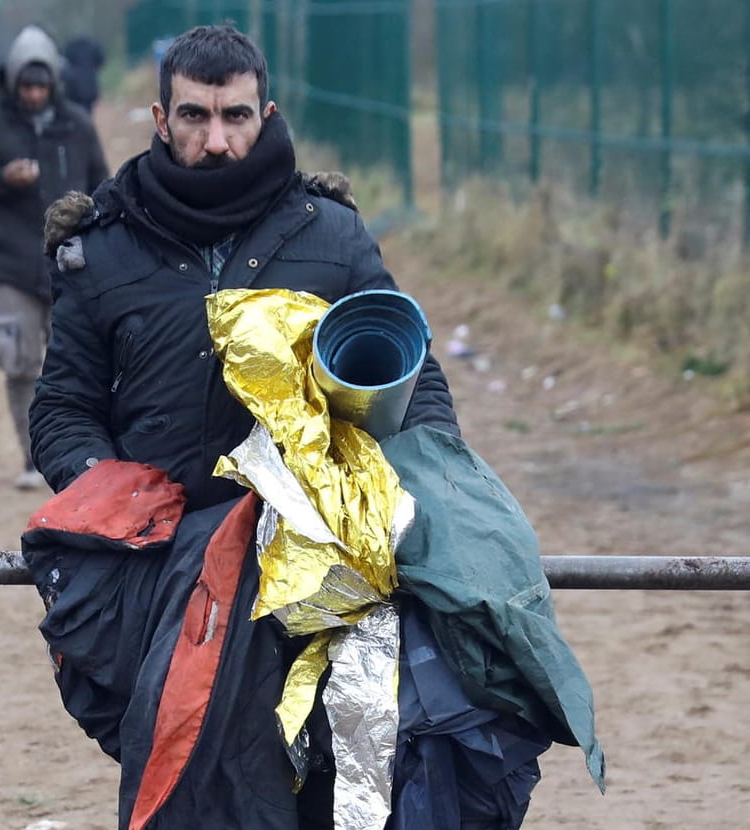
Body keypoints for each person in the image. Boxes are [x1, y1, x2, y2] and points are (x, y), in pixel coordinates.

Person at [25, 26, 476, 827]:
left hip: (313, 567)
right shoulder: (101, 248)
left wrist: (416, 497)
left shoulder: (330, 236)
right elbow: (62, 411)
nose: (217, 140)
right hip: (159, 576)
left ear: (264, 115)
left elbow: (417, 384)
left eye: (235, 117)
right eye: (195, 117)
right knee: (191, 779)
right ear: (161, 120)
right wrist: (122, 502)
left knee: (329, 789)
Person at [0, 25, 108, 489]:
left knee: (73, 366)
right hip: (11, 264)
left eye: (42, 86)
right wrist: (2, 179)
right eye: (26, 86)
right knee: (18, 363)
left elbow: (102, 184)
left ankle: (71, 458)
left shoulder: (77, 124)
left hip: (71, 265)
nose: (34, 94)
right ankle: (29, 459)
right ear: (11, 82)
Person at [61, 34, 105, 113]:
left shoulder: (71, 46)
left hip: (73, 87)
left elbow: (65, 60)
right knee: (87, 112)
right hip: (89, 87)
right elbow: (101, 60)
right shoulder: (94, 46)